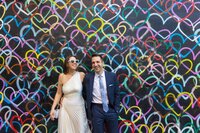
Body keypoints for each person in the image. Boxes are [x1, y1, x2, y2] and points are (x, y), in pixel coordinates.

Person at [50, 55, 91, 133]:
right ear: (67, 64)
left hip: (79, 107)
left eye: (76, 61)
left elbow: (90, 89)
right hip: (65, 107)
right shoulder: (61, 76)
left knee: (81, 129)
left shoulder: (81, 75)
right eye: (72, 61)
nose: (75, 63)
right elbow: (58, 93)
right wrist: (53, 108)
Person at [83, 53, 120, 133]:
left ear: (102, 63)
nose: (96, 65)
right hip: (96, 110)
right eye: (93, 63)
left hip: (111, 109)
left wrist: (116, 109)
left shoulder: (112, 76)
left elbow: (117, 93)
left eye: (98, 62)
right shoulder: (88, 77)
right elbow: (85, 93)